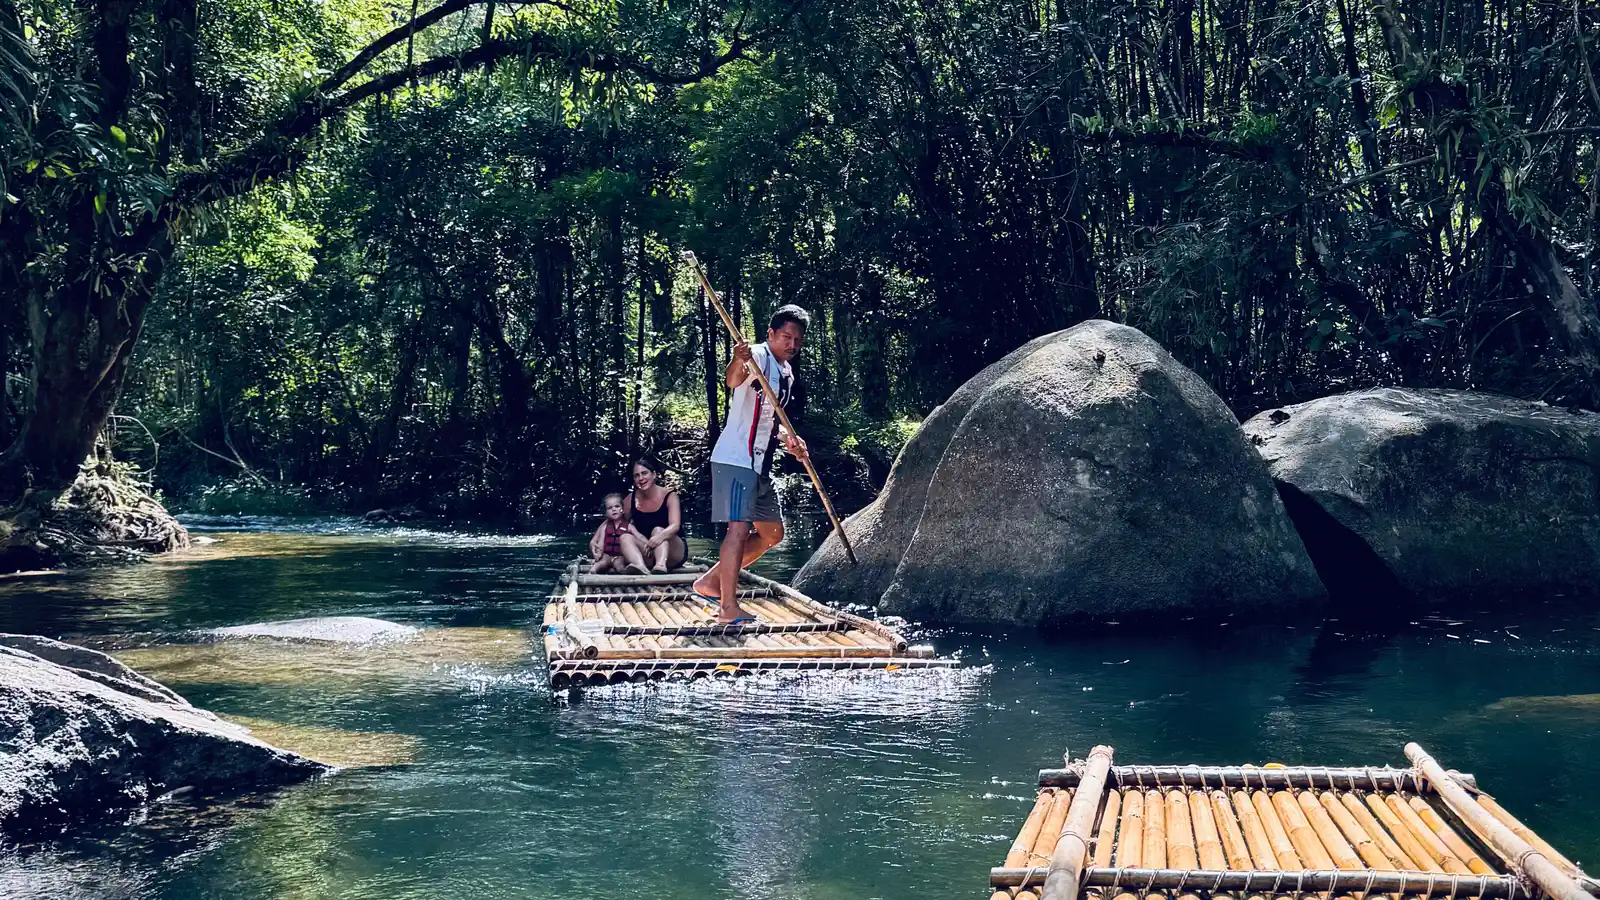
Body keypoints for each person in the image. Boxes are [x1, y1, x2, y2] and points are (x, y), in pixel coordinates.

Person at [692, 304, 810, 624]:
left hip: (760, 464)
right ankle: (728, 608)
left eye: (797, 340)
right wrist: (738, 358)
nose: (792, 344)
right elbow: (733, 381)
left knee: (772, 535)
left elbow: (773, 420)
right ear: (770, 334)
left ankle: (710, 582)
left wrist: (790, 439)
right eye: (786, 337)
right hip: (734, 459)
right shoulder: (756, 355)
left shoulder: (786, 372)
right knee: (738, 531)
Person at [623, 457, 686, 573]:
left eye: (644, 473)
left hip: (673, 550)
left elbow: (675, 525)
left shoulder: (670, 496)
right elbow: (619, 525)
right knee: (625, 537)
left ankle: (660, 566)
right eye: (637, 475)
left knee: (657, 530)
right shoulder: (629, 500)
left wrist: (659, 537)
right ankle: (640, 565)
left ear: (654, 474)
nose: (641, 478)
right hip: (648, 549)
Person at [588, 493, 649, 575]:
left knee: (619, 565)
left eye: (617, 506)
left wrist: (647, 544)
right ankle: (592, 572)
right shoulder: (605, 526)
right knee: (601, 563)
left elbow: (639, 536)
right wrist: (598, 553)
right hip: (607, 555)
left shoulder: (628, 526)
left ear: (622, 509)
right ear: (606, 513)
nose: (614, 509)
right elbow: (599, 541)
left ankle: (622, 574)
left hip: (620, 556)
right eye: (610, 508)